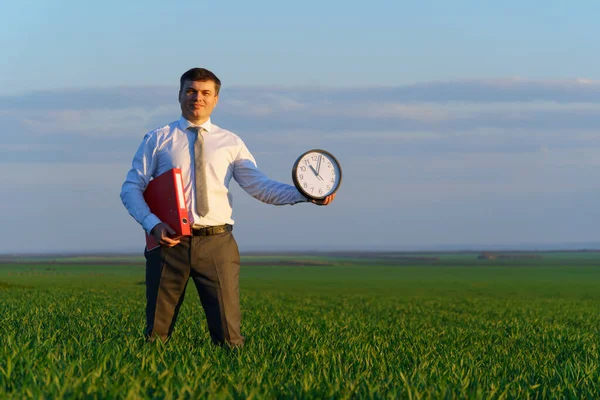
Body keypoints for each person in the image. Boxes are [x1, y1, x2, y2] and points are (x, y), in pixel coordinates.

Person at [120, 68, 335, 347]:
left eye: (205, 93)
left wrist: (305, 194)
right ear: (180, 95)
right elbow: (130, 188)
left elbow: (261, 187)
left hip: (217, 245)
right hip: (169, 245)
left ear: (216, 99)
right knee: (155, 338)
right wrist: (152, 224)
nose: (197, 97)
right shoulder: (157, 138)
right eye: (191, 91)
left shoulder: (231, 143)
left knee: (229, 338)